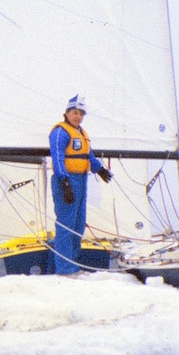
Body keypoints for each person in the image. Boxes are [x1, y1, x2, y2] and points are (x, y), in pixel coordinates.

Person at [48, 94, 112, 275]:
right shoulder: (60, 131)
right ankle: (64, 268)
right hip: (67, 181)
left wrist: (99, 169)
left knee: (78, 225)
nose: (78, 116)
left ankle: (72, 264)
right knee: (66, 225)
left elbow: (88, 155)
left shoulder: (82, 133)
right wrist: (64, 181)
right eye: (75, 113)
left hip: (82, 180)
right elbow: (58, 157)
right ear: (67, 113)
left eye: (81, 114)